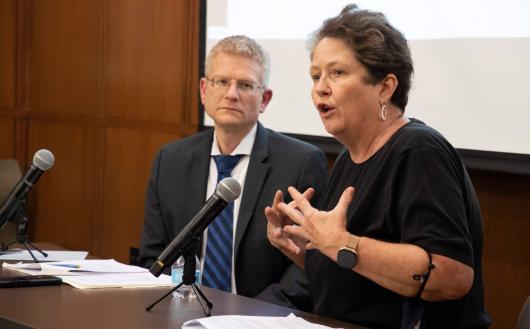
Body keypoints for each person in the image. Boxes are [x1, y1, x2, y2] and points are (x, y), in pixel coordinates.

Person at [265, 4, 491, 328]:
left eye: (337, 73)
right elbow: (360, 274)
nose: (320, 88)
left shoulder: (419, 151)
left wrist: (340, 243)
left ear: (385, 87)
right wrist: (306, 248)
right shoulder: (348, 157)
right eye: (315, 76)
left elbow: (451, 276)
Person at [139, 35, 328, 309]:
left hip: (262, 316)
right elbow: (153, 256)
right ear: (204, 90)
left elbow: (308, 264)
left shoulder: (301, 162)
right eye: (221, 82)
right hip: (182, 311)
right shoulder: (170, 160)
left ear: (264, 99)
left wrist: (248, 314)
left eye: (245, 84)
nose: (231, 93)